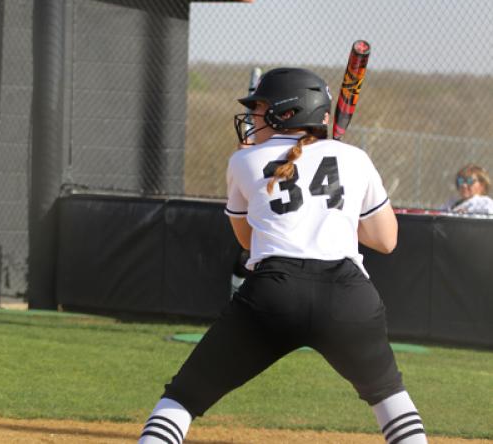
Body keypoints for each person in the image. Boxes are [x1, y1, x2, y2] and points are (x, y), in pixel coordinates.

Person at [138, 68, 427, 443]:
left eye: (259, 108)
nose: (253, 117)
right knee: (390, 398)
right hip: (349, 298)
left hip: (274, 295)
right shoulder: (355, 158)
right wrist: (335, 211)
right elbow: (385, 240)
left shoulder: (244, 162)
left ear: (286, 112)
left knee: (183, 397)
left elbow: (246, 239)